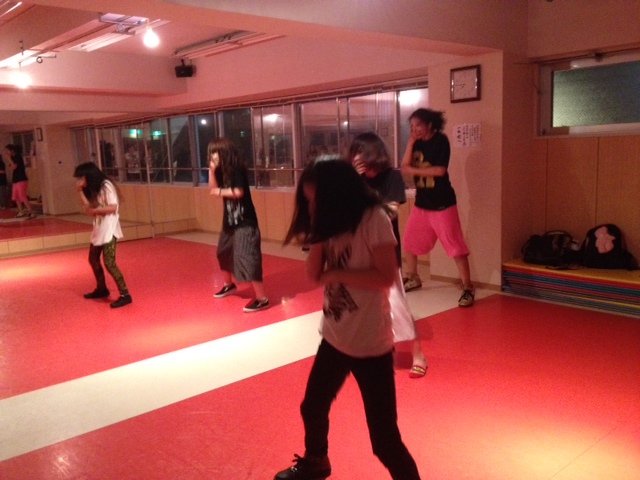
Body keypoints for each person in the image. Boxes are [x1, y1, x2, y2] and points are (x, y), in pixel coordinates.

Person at [276, 157, 422, 480]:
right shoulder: (330, 224)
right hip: (334, 337)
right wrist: (318, 233)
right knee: (312, 406)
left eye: (316, 201)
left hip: (370, 346)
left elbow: (385, 276)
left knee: (384, 442)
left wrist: (337, 273)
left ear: (337, 195)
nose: (312, 208)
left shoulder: (373, 219)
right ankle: (317, 462)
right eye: (309, 202)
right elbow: (314, 275)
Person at [349, 132, 427, 378]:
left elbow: (389, 214)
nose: (363, 164)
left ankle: (418, 354)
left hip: (384, 253)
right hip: (359, 253)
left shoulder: (392, 177)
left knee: (396, 305)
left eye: (365, 158)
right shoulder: (354, 181)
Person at [400, 108, 474, 307]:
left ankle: (468, 287)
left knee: (455, 246)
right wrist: (410, 142)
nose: (414, 129)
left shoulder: (441, 140)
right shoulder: (415, 144)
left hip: (443, 204)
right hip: (422, 204)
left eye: (418, 125)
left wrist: (413, 170)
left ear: (430, 125)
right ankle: (413, 277)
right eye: (412, 126)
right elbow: (404, 167)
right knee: (409, 241)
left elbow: (440, 171)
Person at [207, 138, 269, 313]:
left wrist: (219, 191)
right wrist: (212, 171)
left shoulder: (236, 168)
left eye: (214, 152)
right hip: (229, 221)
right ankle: (229, 285)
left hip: (245, 221)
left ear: (223, 152)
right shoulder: (221, 170)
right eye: (211, 153)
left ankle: (262, 298)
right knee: (223, 252)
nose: (212, 156)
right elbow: (212, 188)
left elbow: (238, 192)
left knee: (248, 257)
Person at [73, 162, 132, 309]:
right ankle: (102, 288)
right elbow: (88, 208)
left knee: (109, 262)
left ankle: (125, 294)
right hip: (99, 227)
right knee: (93, 259)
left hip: (109, 228)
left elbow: (113, 207)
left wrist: (95, 211)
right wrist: (80, 191)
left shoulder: (106, 186)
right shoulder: (94, 188)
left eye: (81, 177)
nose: (79, 180)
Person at [3, 144, 36, 219]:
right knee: (16, 196)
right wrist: (10, 160)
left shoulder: (18, 156)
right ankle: (21, 211)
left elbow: (14, 166)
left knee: (22, 196)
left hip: (21, 179)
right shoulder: (12, 158)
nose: (6, 152)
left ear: (12, 150)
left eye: (7, 151)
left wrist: (9, 159)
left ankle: (32, 212)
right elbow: (11, 168)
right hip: (15, 180)